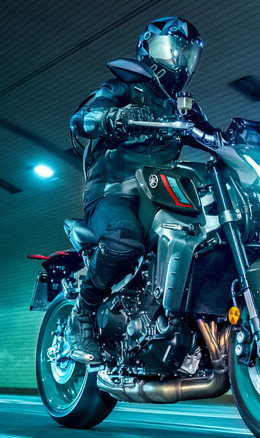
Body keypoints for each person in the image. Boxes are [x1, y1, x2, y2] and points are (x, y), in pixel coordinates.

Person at [66, 16, 218, 364]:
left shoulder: (184, 106)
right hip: (113, 193)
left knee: (206, 236)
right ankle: (83, 314)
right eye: (173, 49)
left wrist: (245, 140)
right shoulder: (123, 88)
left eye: (188, 54)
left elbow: (214, 137)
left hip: (158, 192)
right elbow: (82, 119)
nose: (180, 60)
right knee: (122, 241)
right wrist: (109, 119)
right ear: (150, 48)